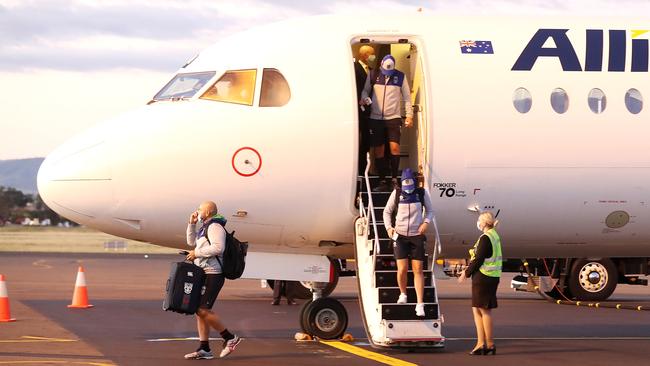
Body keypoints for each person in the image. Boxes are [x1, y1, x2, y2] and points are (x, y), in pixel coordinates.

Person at [183, 201, 242, 360]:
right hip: (204, 273)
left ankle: (230, 337)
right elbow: (191, 242)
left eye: (200, 209)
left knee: (203, 310)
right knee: (199, 312)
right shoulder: (205, 227)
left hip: (214, 274)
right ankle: (204, 349)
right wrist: (191, 224)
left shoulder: (215, 227)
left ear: (208, 212)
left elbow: (218, 248)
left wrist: (197, 253)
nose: (197, 211)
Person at [383, 168, 433, 316]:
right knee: (402, 268)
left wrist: (426, 222)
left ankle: (420, 303)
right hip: (400, 236)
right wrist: (389, 228)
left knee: (418, 269)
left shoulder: (422, 193)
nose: (409, 190)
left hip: (416, 235)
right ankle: (403, 294)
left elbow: (430, 211)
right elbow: (387, 211)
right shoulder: (397, 193)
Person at [360, 54, 413, 191]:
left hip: (393, 118)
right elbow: (365, 91)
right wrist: (364, 99)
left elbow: (407, 97)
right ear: (381, 65)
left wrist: (409, 116)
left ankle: (394, 179)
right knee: (379, 151)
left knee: (395, 148)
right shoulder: (373, 74)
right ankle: (382, 180)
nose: (387, 74)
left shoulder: (400, 76)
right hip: (376, 118)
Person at [458, 212, 503, 356]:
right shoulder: (494, 235)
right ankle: (482, 343)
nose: (478, 222)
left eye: (479, 220)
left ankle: (487, 344)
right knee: (478, 309)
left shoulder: (485, 238)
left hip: (484, 277)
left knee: (483, 310)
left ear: (484, 222)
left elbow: (479, 259)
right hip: (490, 277)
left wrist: (466, 273)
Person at [354, 45, 376, 174]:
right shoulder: (354, 69)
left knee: (367, 141)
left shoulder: (372, 70)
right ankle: (360, 170)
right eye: (372, 54)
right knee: (360, 141)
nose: (373, 57)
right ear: (365, 55)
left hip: (369, 111)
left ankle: (366, 169)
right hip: (358, 110)